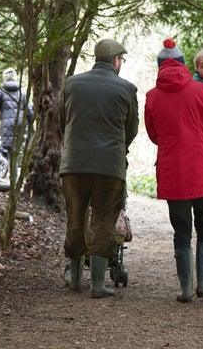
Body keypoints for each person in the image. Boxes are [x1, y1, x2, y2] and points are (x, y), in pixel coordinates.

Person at [144, 38, 203, 303]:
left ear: (160, 67)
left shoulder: (152, 96)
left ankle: (185, 289)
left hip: (173, 172)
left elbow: (154, 135)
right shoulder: (202, 90)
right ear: (184, 64)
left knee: (181, 229)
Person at [59, 38, 139, 298]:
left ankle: (74, 277)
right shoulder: (127, 89)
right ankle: (96, 284)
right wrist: (117, 149)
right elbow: (131, 130)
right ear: (116, 61)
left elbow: (63, 121)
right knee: (103, 220)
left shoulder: (71, 84)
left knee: (76, 217)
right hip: (109, 168)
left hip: (74, 164)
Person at [0, 67, 34, 168]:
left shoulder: (0, 92)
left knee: (10, 154)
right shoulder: (22, 93)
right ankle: (14, 178)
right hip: (20, 126)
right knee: (15, 153)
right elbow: (30, 112)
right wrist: (32, 129)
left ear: (5, 78)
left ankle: (11, 178)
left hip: (6, 126)